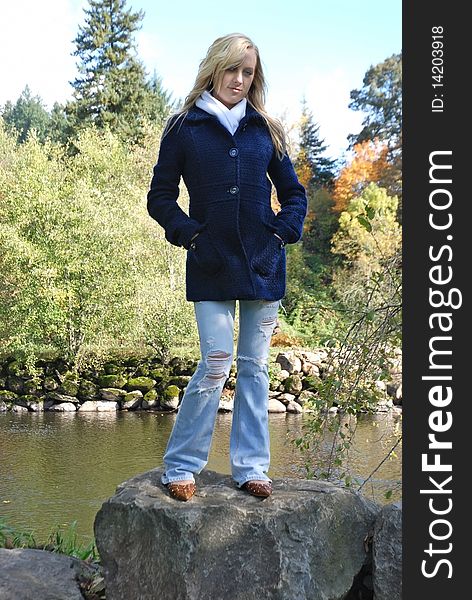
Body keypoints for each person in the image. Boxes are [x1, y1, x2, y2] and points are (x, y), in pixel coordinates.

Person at [147, 33, 307, 501]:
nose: (240, 80)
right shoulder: (184, 127)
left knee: (255, 366)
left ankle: (252, 467)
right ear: (214, 68)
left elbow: (295, 194)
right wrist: (192, 235)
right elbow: (160, 197)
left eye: (249, 72)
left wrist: (281, 233)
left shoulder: (266, 130)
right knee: (217, 360)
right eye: (232, 69)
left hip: (263, 263)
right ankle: (181, 465)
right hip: (211, 261)